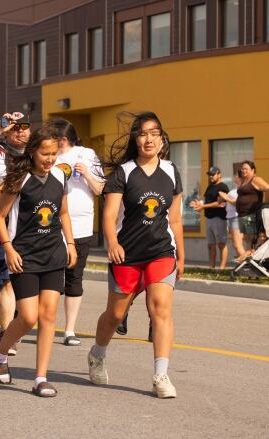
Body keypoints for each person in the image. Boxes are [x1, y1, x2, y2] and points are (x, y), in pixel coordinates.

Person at [88, 112, 184, 399]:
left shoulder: (171, 171)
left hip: (161, 252)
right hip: (127, 254)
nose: (149, 138)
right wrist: (112, 243)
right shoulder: (124, 172)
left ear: (162, 139)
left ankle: (161, 375)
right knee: (115, 315)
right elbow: (108, 215)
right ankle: (97, 354)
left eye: (154, 133)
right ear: (135, 139)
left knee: (161, 310)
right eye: (143, 133)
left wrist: (181, 255)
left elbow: (176, 219)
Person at [0, 124, 77, 398]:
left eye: (54, 153)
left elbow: (62, 214)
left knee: (48, 315)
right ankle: (0, 350)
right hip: (23, 256)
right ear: (32, 152)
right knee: (27, 317)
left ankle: (41, 377)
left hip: (53, 254)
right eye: (45, 154)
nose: (50, 159)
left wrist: (71, 244)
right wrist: (9, 249)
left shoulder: (60, 177)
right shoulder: (19, 180)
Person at [51, 118, 104, 346]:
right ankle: (46, 323)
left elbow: (101, 188)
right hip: (51, 224)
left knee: (75, 276)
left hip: (81, 224)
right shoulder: (48, 155)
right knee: (51, 277)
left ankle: (69, 330)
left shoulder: (87, 154)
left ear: (63, 138)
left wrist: (87, 174)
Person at [0, 113, 31, 352]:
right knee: (7, 280)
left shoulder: (39, 155)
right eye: (14, 128)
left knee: (31, 283)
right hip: (6, 225)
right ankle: (5, 334)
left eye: (24, 127)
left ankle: (18, 324)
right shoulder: (0, 155)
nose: (19, 131)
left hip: (34, 227)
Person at [190, 167, 230, 269]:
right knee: (211, 245)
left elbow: (220, 203)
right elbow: (205, 201)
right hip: (209, 219)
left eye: (213, 174)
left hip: (220, 218)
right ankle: (211, 267)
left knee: (221, 244)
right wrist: (197, 204)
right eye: (210, 175)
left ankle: (222, 268)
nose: (211, 176)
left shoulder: (223, 187)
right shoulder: (210, 187)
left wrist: (203, 206)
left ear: (219, 174)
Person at [235, 161, 269, 251]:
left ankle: (254, 260)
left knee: (252, 238)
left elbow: (267, 188)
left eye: (246, 169)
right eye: (242, 169)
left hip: (251, 214)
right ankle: (250, 260)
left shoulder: (255, 179)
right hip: (243, 214)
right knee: (247, 239)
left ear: (253, 170)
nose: (243, 170)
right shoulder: (244, 181)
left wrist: (265, 204)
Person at [219, 174, 247, 261]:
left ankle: (247, 264)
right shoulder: (235, 189)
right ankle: (241, 264)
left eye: (236, 175)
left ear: (240, 177)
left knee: (237, 243)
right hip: (231, 217)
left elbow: (237, 203)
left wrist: (226, 197)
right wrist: (222, 200)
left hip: (236, 217)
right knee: (236, 243)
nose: (234, 176)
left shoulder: (242, 189)